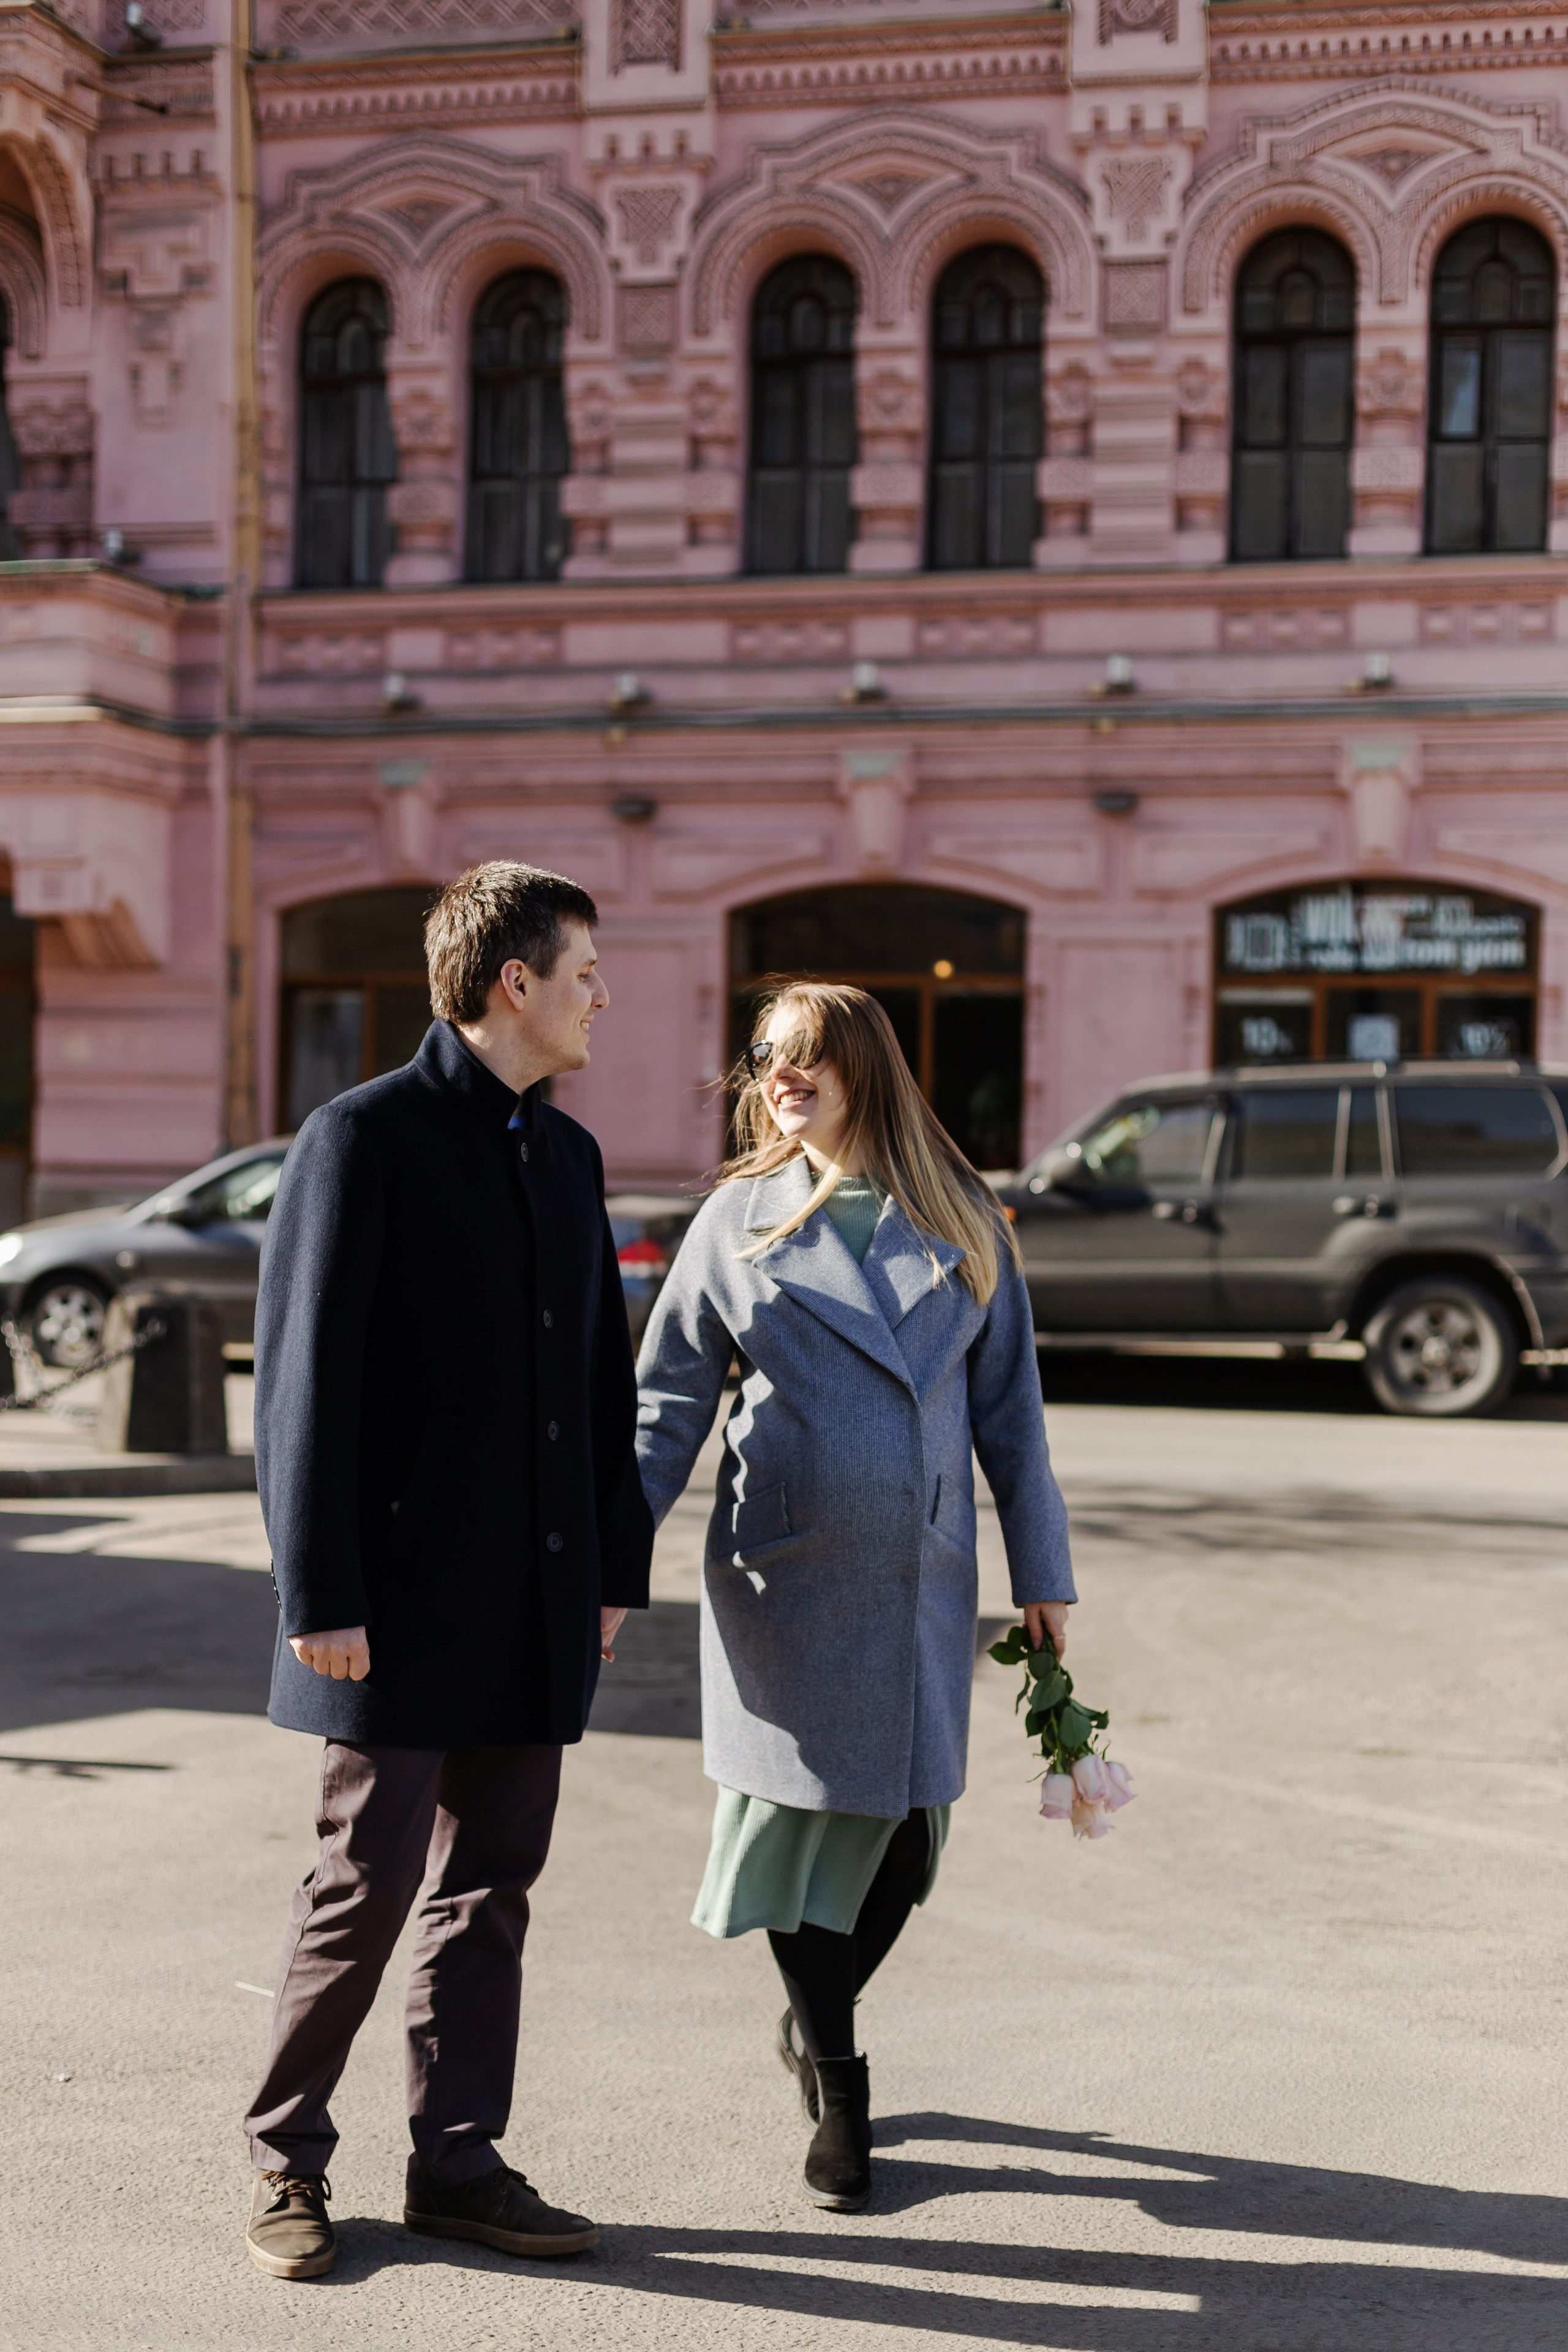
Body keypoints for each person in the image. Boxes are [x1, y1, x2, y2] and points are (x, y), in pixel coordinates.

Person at [242, 862, 652, 2281]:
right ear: (512, 984)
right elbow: (303, 1384)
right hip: (396, 1604)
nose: (604, 992)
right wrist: (321, 1592)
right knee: (360, 1887)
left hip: (534, 1592)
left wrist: (610, 1570)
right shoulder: (360, 1138)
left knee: (492, 1888)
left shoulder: (570, 1154)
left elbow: (601, 1383)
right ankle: (285, 2163)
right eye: (584, 968)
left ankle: (459, 2163)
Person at [635, 981, 1076, 2212]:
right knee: (796, 1835)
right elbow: (666, 1404)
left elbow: (1012, 1426)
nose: (779, 1077)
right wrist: (612, 1557)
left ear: (864, 1068)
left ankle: (810, 2026)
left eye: (806, 1058)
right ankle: (840, 2085)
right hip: (782, 1581)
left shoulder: (966, 1217)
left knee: (898, 1845)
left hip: (920, 1578)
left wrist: (1041, 1575)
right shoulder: (734, 1221)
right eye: (766, 1057)